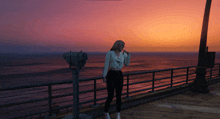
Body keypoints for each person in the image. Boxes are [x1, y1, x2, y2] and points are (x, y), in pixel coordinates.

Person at [102, 40, 131, 119]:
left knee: (119, 96)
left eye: (123, 45)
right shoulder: (109, 53)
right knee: (110, 95)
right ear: (117, 45)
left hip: (119, 74)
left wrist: (128, 55)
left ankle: (118, 114)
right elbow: (106, 64)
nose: (122, 47)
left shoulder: (123, 54)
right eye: (121, 45)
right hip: (111, 74)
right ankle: (106, 112)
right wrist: (104, 76)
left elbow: (127, 64)